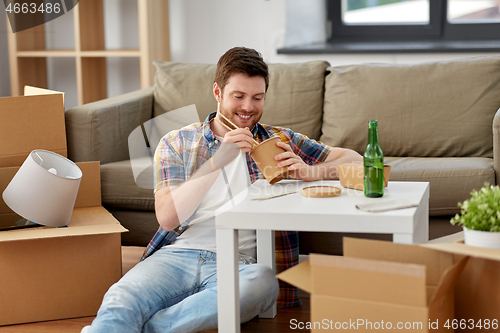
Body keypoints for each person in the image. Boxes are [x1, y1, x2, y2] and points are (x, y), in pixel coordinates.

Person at [82, 47, 362, 333]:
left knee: (263, 283)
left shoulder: (279, 140)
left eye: (257, 97)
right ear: (217, 92)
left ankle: (149, 329)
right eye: (238, 96)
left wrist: (308, 171)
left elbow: (356, 161)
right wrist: (218, 161)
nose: (248, 107)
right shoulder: (177, 142)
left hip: (241, 265)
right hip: (178, 255)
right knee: (122, 297)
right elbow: (167, 217)